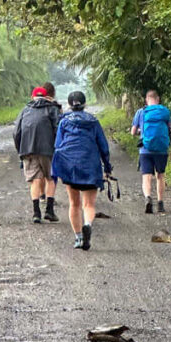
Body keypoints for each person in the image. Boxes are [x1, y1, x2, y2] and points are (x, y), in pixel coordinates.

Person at [52, 90, 113, 250]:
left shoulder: (64, 122)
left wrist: (58, 168)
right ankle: (87, 224)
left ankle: (79, 238)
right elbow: (103, 147)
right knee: (89, 204)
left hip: (70, 165)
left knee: (74, 203)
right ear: (85, 104)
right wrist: (107, 167)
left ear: (69, 105)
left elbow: (58, 145)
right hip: (90, 164)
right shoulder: (93, 121)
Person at [13, 85, 61, 223]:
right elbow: (58, 130)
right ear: (46, 96)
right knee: (50, 178)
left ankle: (36, 213)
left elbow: (16, 132)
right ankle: (49, 211)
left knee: (35, 180)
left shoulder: (25, 110)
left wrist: (20, 150)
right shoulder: (53, 109)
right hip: (48, 150)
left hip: (28, 150)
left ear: (32, 97)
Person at [130, 90, 171, 214]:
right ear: (158, 99)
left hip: (145, 149)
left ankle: (148, 198)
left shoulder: (141, 112)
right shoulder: (164, 112)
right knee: (160, 176)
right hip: (162, 149)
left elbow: (133, 132)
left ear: (146, 99)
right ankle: (160, 203)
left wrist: (141, 132)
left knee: (146, 176)